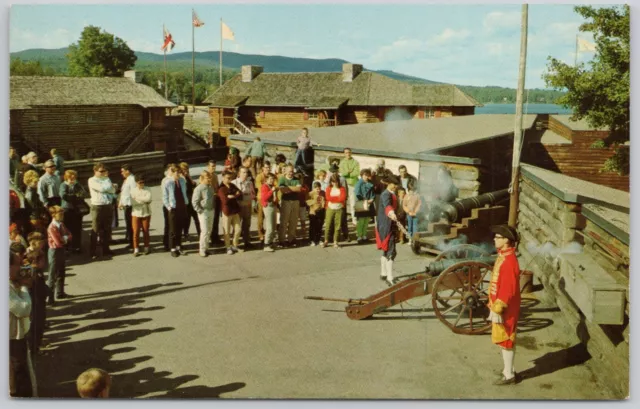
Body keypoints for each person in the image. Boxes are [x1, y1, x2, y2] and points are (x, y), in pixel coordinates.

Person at [488, 224, 521, 386]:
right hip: (500, 305)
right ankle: (508, 369)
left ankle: (509, 375)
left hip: (505, 307)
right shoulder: (504, 256)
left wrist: (498, 308)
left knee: (507, 339)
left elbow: (508, 289)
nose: (494, 239)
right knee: (503, 340)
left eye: (498, 237)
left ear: (506, 240)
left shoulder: (509, 261)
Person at [9, 246, 34, 397]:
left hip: (15, 336)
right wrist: (24, 287)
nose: (21, 268)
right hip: (11, 339)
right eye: (18, 264)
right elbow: (23, 309)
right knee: (18, 377)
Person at [25, 231, 49, 356]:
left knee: (40, 320)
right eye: (41, 241)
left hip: (39, 294)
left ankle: (37, 345)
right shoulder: (29, 257)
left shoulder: (39, 254)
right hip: (35, 296)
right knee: (36, 321)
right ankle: (34, 348)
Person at [376, 174, 400, 286]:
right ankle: (390, 278)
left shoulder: (391, 193)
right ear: (388, 184)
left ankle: (383, 273)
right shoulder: (386, 194)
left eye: (396, 184)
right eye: (394, 184)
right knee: (391, 251)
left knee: (386, 249)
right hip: (387, 224)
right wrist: (392, 213)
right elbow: (387, 206)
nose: (395, 186)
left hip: (386, 224)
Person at [88, 163, 116, 259]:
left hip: (107, 205)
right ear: (95, 171)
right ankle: (93, 251)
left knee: (107, 229)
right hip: (97, 206)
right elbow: (103, 188)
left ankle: (106, 249)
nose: (103, 173)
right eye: (101, 171)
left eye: (104, 171)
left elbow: (112, 190)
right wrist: (109, 187)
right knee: (95, 229)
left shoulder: (106, 179)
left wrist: (109, 186)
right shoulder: (91, 180)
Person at [162, 164, 189, 257]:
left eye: (180, 172)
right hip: (173, 208)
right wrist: (169, 207)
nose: (179, 174)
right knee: (173, 229)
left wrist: (186, 203)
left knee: (180, 228)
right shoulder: (167, 182)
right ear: (172, 173)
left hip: (182, 206)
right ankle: (172, 248)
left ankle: (178, 246)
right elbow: (165, 197)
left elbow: (184, 192)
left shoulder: (182, 181)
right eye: (177, 173)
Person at [47, 206, 72, 302]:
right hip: (54, 251)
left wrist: (65, 238)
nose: (62, 216)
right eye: (60, 214)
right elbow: (57, 242)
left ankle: (60, 293)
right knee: (52, 274)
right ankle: (50, 297)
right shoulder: (52, 227)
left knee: (61, 272)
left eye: (62, 214)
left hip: (61, 250)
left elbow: (70, 235)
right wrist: (65, 238)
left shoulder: (61, 224)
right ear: (53, 215)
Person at [60, 169, 86, 253]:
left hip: (77, 209)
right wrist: (75, 196)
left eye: (74, 177)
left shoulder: (77, 184)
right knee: (67, 229)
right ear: (66, 177)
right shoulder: (63, 185)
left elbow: (83, 194)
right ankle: (68, 246)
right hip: (67, 209)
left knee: (77, 228)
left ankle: (77, 246)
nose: (72, 179)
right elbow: (64, 196)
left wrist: (73, 197)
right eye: (70, 178)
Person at [218, 170, 243, 255]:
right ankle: (228, 247)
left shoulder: (232, 185)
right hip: (227, 212)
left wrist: (233, 196)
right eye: (228, 178)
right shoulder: (221, 188)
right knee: (227, 231)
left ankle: (234, 245)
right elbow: (225, 201)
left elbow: (240, 193)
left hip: (235, 211)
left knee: (238, 229)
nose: (229, 180)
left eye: (231, 178)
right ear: (223, 178)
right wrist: (233, 195)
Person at [192, 171, 215, 257]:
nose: (209, 179)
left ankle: (206, 248)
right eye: (207, 178)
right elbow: (194, 202)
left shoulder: (210, 187)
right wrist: (200, 211)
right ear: (202, 178)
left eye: (210, 178)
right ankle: (201, 249)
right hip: (203, 212)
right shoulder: (199, 188)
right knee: (204, 231)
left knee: (209, 230)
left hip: (211, 210)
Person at [277, 164, 302, 247]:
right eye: (289, 171)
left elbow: (298, 189)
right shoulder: (282, 179)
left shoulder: (296, 179)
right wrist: (292, 188)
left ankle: (291, 239)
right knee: (284, 221)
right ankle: (282, 240)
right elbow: (282, 190)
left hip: (295, 202)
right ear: (286, 171)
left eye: (292, 171)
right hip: (286, 201)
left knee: (293, 221)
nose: (291, 173)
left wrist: (288, 188)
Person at [233, 166, 256, 250]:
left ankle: (247, 242)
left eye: (246, 172)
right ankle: (235, 244)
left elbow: (253, 193)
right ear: (239, 173)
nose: (245, 174)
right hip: (238, 206)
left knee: (247, 224)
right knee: (237, 226)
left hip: (247, 205)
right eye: (243, 172)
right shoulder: (234, 183)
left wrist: (251, 199)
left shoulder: (249, 183)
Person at [322, 173, 346, 248]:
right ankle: (326, 240)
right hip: (330, 208)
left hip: (339, 209)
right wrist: (337, 198)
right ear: (331, 182)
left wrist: (334, 199)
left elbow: (342, 198)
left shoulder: (342, 189)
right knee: (328, 224)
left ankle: (335, 241)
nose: (334, 183)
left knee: (337, 225)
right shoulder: (328, 188)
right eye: (333, 182)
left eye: (336, 181)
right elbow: (328, 198)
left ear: (338, 181)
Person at [130, 174, 152, 257]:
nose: (142, 184)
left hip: (146, 213)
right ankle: (136, 249)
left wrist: (137, 198)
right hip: (136, 213)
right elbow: (133, 202)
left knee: (145, 230)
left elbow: (148, 199)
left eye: (143, 182)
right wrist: (143, 200)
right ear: (136, 183)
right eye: (140, 183)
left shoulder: (148, 189)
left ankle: (146, 247)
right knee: (136, 231)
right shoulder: (132, 191)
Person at [339, 147, 360, 224]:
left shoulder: (355, 162)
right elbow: (342, 173)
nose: (348, 154)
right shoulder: (342, 163)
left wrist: (347, 173)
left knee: (353, 202)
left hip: (353, 184)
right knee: (343, 201)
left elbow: (356, 173)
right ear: (344, 154)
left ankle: (354, 219)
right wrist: (348, 171)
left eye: (349, 152)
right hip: (344, 184)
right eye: (346, 153)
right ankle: (343, 218)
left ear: (351, 153)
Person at [354, 168, 375, 244]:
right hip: (361, 204)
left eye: (368, 175)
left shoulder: (370, 183)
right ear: (362, 175)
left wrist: (372, 199)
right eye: (365, 175)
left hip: (369, 204)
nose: (366, 176)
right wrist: (365, 200)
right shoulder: (359, 183)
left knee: (367, 221)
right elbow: (357, 193)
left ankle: (364, 236)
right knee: (361, 221)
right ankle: (359, 237)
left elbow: (373, 194)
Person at [23, 170, 48, 235]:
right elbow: (34, 208)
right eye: (35, 182)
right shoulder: (30, 194)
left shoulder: (32, 191)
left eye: (37, 182)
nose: (37, 184)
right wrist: (42, 216)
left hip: (37, 217)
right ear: (29, 182)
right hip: (35, 219)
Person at [118, 164, 136, 249]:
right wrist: (121, 202)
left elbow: (133, 193)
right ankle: (128, 238)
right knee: (128, 223)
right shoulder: (127, 179)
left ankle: (132, 242)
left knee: (130, 224)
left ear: (127, 171)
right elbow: (123, 192)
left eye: (123, 171)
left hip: (130, 204)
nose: (121, 173)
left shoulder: (132, 179)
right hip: (126, 204)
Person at [260, 172, 278, 252]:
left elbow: (275, 197)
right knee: (269, 227)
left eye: (273, 179)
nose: (272, 180)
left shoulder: (273, 186)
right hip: (268, 207)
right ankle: (266, 244)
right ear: (266, 179)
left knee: (273, 226)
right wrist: (271, 191)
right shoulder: (264, 186)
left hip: (273, 206)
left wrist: (276, 200)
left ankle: (270, 242)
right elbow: (264, 198)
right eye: (270, 179)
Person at [254, 161, 271, 242]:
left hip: (270, 198)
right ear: (262, 168)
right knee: (261, 217)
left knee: (270, 217)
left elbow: (276, 184)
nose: (268, 169)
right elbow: (260, 188)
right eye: (266, 167)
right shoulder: (259, 177)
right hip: (261, 199)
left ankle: (269, 233)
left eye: (269, 167)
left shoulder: (271, 176)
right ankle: (260, 234)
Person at [207, 160, 222, 245]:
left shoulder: (215, 176)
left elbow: (217, 187)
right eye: (212, 166)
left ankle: (215, 237)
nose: (213, 168)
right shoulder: (206, 176)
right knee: (211, 221)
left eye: (214, 166)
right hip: (210, 200)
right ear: (208, 167)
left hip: (216, 199)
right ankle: (211, 239)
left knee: (216, 220)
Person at [403, 179, 422, 244]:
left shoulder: (417, 196)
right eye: (410, 190)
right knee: (409, 226)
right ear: (408, 189)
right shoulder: (406, 196)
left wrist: (415, 212)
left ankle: (415, 239)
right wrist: (408, 212)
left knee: (415, 226)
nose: (412, 191)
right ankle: (410, 239)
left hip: (416, 214)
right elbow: (404, 205)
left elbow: (419, 204)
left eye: (413, 190)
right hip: (409, 214)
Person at [306, 181, 326, 247]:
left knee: (319, 226)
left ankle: (318, 239)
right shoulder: (310, 194)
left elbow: (325, 200)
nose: (318, 190)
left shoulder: (323, 193)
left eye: (319, 188)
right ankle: (311, 239)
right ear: (314, 188)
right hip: (313, 211)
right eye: (317, 189)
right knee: (313, 226)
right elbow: (307, 201)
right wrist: (313, 202)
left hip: (321, 211)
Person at [297, 173, 310, 242]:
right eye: (298, 179)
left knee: (303, 221)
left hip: (302, 206)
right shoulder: (295, 186)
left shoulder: (305, 187)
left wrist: (307, 205)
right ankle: (293, 236)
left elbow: (307, 197)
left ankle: (304, 235)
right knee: (294, 222)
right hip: (295, 206)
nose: (300, 180)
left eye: (301, 179)